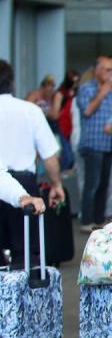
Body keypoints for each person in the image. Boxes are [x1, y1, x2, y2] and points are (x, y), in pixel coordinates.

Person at [0, 60, 66, 264]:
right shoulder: (30, 111)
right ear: (12, 83)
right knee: (26, 255)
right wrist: (56, 185)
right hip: (25, 184)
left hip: (10, 184)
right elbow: (49, 156)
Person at [76, 55, 112, 231]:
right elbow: (87, 110)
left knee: (104, 185)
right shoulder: (86, 89)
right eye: (107, 70)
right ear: (97, 70)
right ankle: (86, 221)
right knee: (92, 184)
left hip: (109, 144)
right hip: (93, 143)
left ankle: (98, 219)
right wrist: (102, 92)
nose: (111, 74)